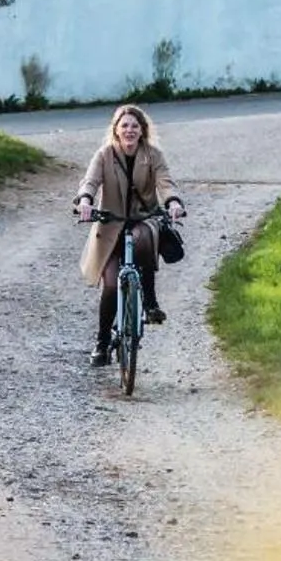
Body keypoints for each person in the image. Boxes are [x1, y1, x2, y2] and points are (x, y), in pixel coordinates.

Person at [73, 104, 187, 368]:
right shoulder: (104, 155)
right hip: (110, 224)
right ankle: (102, 343)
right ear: (116, 129)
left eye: (135, 126)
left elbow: (165, 182)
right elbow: (90, 181)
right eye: (124, 125)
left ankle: (149, 301)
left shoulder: (153, 155)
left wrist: (172, 202)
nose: (129, 130)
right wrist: (86, 200)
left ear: (142, 130)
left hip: (142, 219)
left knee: (144, 239)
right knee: (111, 285)